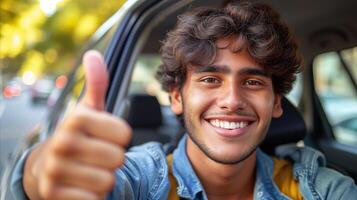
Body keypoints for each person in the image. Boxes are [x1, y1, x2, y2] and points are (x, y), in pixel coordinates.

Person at [11, 1, 357, 200]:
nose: (232, 100)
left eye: (252, 82)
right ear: (176, 96)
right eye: (210, 79)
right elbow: (77, 183)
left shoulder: (318, 187)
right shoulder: (143, 179)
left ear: (277, 102)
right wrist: (38, 171)